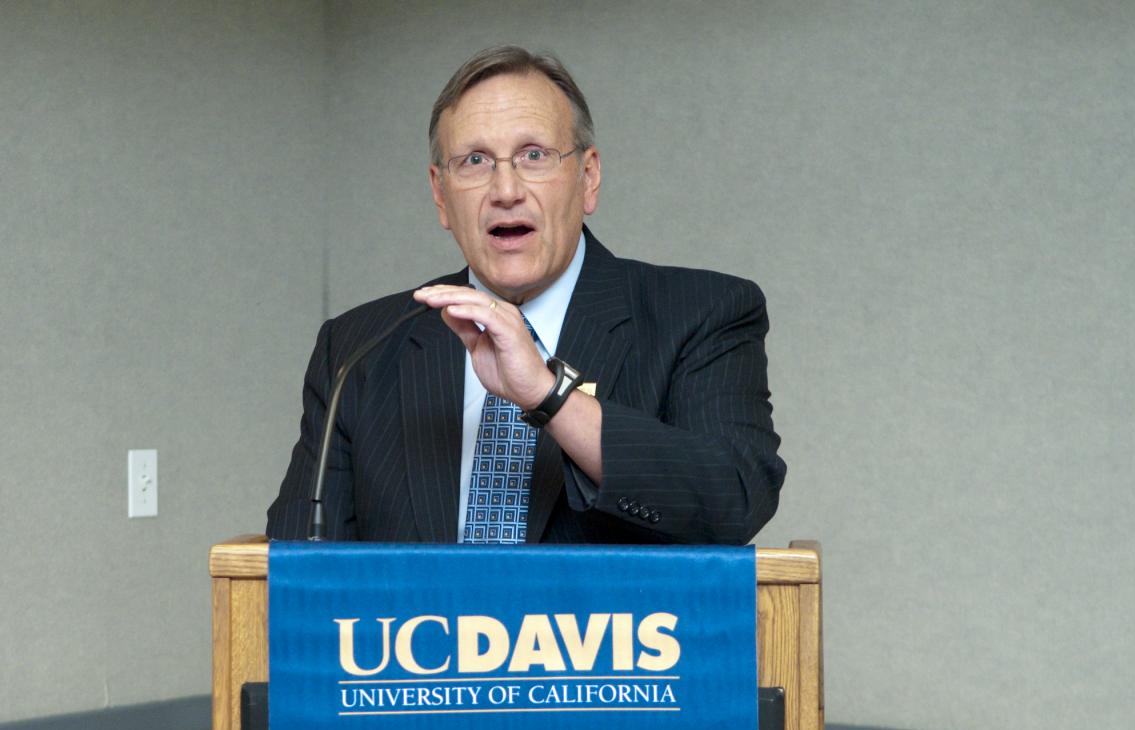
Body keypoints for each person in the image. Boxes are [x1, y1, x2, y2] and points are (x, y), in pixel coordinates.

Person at [266, 45, 786, 545]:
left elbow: (734, 500)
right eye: (474, 161)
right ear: (440, 195)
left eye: (533, 156)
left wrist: (547, 395)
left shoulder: (700, 313)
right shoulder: (360, 348)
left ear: (587, 178)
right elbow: (295, 565)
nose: (506, 190)